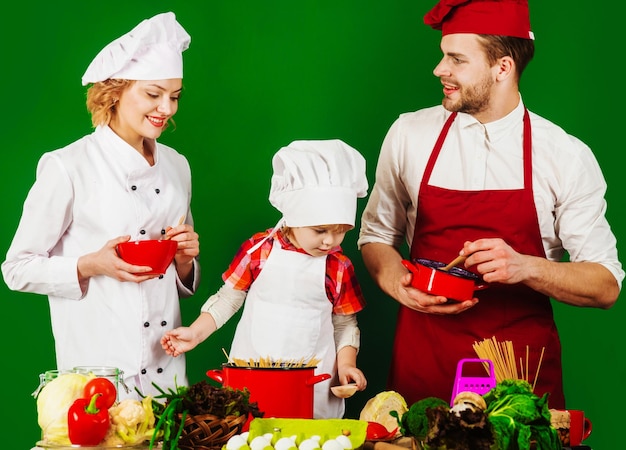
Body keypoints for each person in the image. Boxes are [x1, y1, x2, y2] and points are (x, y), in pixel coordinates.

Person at [358, 0, 623, 410]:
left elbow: (605, 284)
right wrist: (398, 284)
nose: (439, 69)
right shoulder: (409, 134)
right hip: (422, 366)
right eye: (443, 55)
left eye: (456, 59)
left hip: (518, 382)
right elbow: (376, 236)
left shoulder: (564, 155)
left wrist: (525, 266)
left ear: (503, 67)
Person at [2, 12, 200, 399]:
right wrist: (90, 264)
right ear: (116, 91)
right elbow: (16, 268)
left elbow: (178, 280)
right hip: (97, 377)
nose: (167, 108)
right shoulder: (67, 165)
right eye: (153, 93)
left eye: (174, 96)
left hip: (168, 379)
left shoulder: (177, 165)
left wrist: (185, 260)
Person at [161, 139, 368, 418]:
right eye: (320, 230)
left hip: (311, 387)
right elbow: (228, 299)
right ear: (293, 216)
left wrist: (346, 365)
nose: (330, 241)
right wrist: (194, 334)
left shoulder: (339, 265)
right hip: (253, 380)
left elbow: (344, 325)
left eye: (341, 231)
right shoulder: (260, 250)